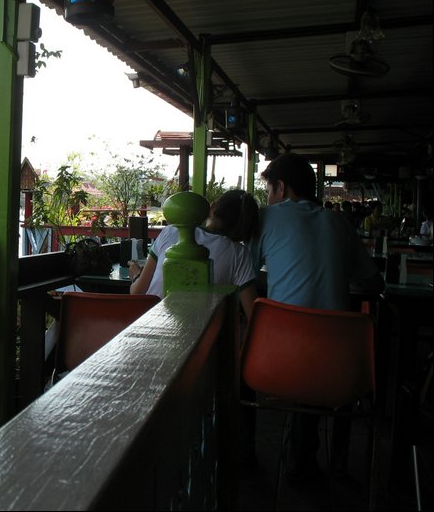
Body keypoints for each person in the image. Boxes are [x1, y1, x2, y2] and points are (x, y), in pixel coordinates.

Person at [249, 152, 384, 480]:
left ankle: (245, 462)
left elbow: (245, 273)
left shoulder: (266, 218)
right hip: (342, 366)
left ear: (281, 187)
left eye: (268, 189)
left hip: (271, 364)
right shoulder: (339, 222)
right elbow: (373, 283)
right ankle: (314, 458)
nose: (268, 197)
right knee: (317, 356)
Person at [129, 189, 260, 319]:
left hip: (147, 325)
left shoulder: (170, 232)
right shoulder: (239, 254)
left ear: (212, 208)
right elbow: (253, 316)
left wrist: (137, 276)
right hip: (201, 335)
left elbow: (137, 293)